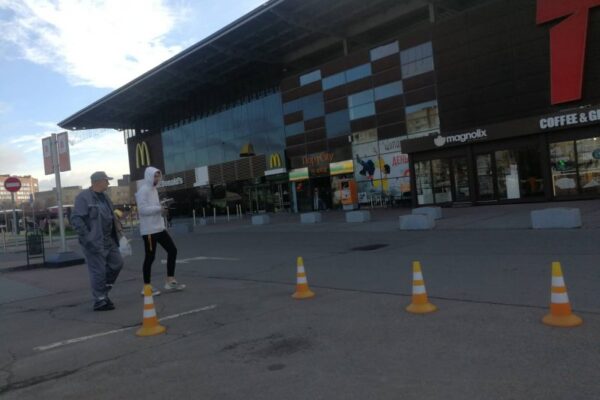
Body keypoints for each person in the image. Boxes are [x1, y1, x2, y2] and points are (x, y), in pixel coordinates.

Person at [71, 171, 123, 311]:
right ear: (98, 181)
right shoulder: (83, 197)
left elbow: (111, 216)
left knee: (117, 263)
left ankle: (103, 292)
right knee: (98, 271)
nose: (108, 183)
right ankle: (100, 300)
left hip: (109, 239)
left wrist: (117, 227)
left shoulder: (105, 197)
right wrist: (87, 238)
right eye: (106, 180)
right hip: (94, 241)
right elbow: (76, 219)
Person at [135, 166, 185, 295]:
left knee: (172, 250)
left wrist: (162, 210)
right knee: (150, 257)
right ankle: (146, 287)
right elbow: (142, 210)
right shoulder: (143, 191)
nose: (157, 178)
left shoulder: (154, 190)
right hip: (149, 231)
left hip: (159, 228)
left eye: (158, 176)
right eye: (155, 176)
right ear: (149, 176)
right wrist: (159, 209)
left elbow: (153, 208)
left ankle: (170, 280)